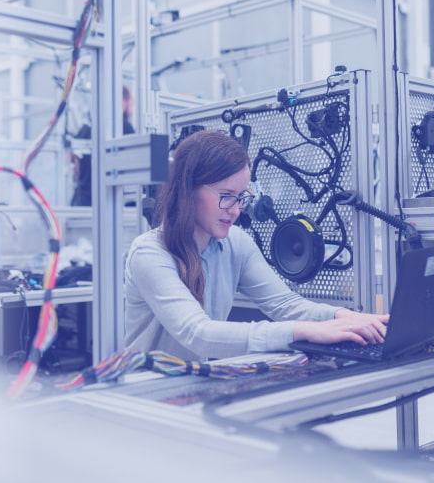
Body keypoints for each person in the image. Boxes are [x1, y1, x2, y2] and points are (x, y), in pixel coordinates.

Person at [124, 129, 389, 361]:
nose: (236, 210)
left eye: (241, 197)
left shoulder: (235, 243)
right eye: (226, 196)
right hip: (146, 393)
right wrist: (303, 331)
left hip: (192, 384)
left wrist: (345, 317)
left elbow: (285, 304)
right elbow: (198, 334)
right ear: (187, 190)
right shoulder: (150, 253)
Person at [70, 86, 135, 206]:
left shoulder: (87, 127)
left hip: (82, 199)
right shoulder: (124, 126)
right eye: (131, 102)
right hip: (110, 198)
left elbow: (73, 162)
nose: (132, 107)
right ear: (122, 101)